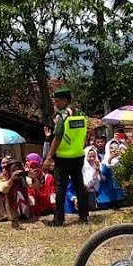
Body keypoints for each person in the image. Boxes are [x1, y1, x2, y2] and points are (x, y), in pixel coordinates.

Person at [43, 87, 89, 227]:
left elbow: (57, 137)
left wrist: (49, 157)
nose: (55, 104)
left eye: (57, 101)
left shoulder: (62, 116)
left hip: (63, 157)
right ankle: (83, 216)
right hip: (78, 155)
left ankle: (58, 220)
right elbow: (85, 134)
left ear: (64, 100)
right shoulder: (81, 115)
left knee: (60, 188)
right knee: (79, 186)